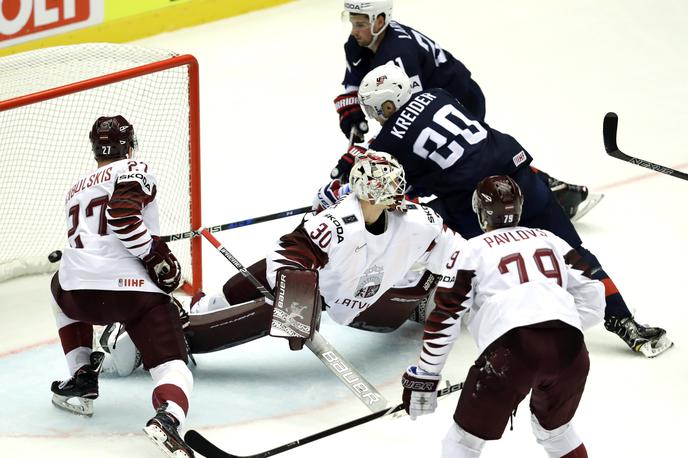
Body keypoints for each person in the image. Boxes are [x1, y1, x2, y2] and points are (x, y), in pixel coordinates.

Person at [334, 63, 672, 357]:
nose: (375, 118)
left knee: (412, 226)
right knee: (575, 254)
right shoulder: (438, 94)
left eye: (375, 110)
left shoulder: (388, 140)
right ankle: (625, 321)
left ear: (387, 104)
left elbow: (392, 187)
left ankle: (418, 297)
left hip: (476, 205)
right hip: (521, 180)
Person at [99, 151, 467, 374]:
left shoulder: (420, 222)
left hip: (376, 310)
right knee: (272, 289)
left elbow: (457, 252)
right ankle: (204, 308)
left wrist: (442, 291)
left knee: (274, 308)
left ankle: (174, 340)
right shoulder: (340, 222)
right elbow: (289, 254)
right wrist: (298, 309)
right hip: (336, 289)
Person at [401, 175, 604, 457]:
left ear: (480, 212)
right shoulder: (551, 239)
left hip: (512, 352)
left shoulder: (469, 251)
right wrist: (556, 328)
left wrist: (426, 376)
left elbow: (446, 317)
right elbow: (594, 294)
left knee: (462, 443)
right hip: (571, 349)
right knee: (558, 433)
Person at [332, 0, 593, 220]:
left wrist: (371, 154)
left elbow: (408, 120)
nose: (355, 31)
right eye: (353, 22)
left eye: (361, 24)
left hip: (459, 100)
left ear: (379, 21)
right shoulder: (360, 44)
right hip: (435, 102)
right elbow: (353, 81)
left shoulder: (399, 56)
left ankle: (541, 193)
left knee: (472, 160)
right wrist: (351, 112)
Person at [49, 115, 194, 458]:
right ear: (129, 145)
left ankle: (82, 375)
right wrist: (156, 255)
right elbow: (123, 217)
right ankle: (168, 418)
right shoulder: (134, 167)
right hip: (134, 294)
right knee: (172, 366)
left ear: (96, 149)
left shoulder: (75, 188)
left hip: (78, 294)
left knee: (57, 283)